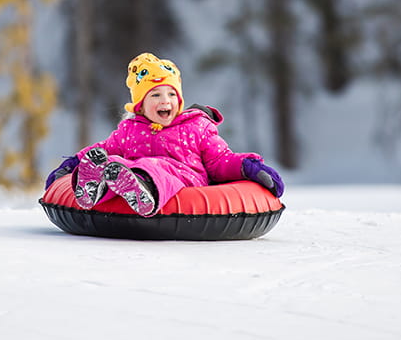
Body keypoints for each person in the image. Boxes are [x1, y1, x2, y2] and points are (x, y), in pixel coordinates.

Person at [45, 52, 284, 217]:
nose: (165, 101)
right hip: (133, 171)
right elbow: (104, 149)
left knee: (152, 166)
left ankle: (141, 188)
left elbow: (220, 160)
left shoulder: (196, 127)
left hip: (183, 178)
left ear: (179, 100)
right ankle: (94, 188)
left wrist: (249, 167)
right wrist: (72, 165)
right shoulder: (130, 130)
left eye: (171, 95)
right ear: (140, 105)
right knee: (113, 163)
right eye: (155, 95)